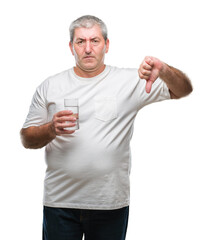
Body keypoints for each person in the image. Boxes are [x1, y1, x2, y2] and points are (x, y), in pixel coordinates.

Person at [20, 15, 193, 240]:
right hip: (60, 203)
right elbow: (26, 139)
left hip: (110, 204)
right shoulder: (51, 85)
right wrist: (51, 129)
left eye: (95, 40)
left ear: (107, 45)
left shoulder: (130, 81)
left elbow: (184, 90)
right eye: (81, 42)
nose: (88, 48)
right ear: (71, 47)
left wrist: (165, 70)